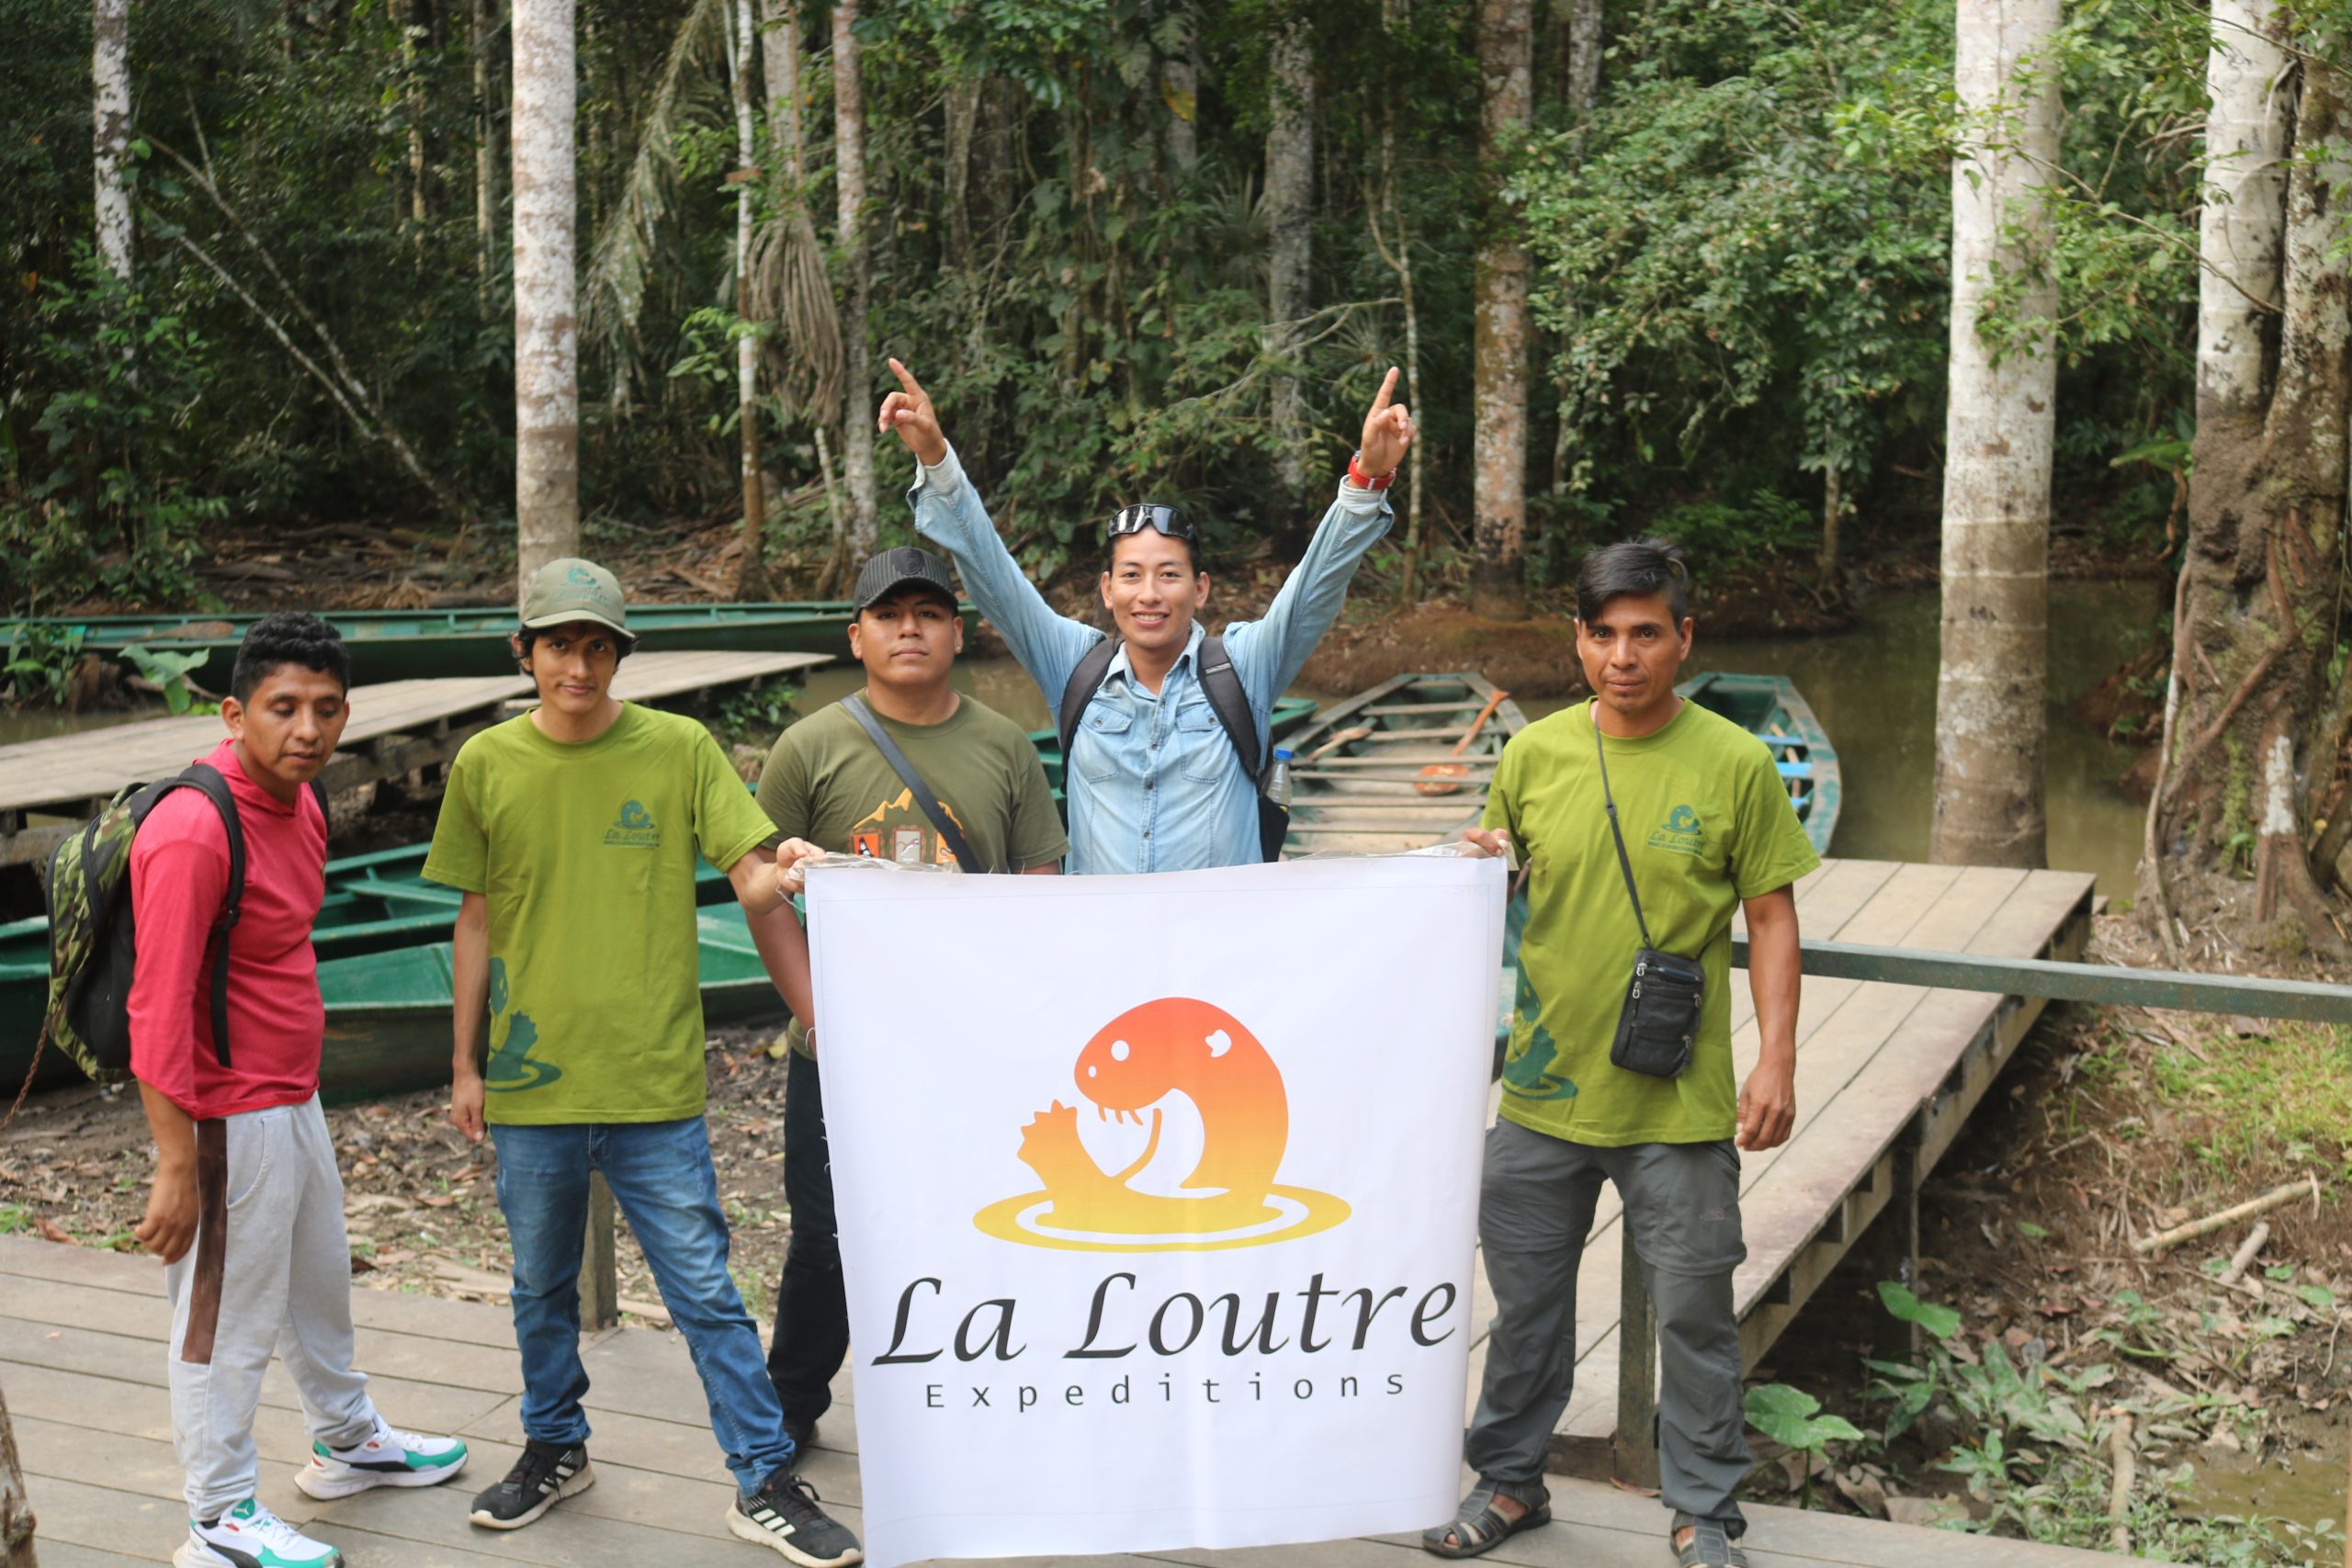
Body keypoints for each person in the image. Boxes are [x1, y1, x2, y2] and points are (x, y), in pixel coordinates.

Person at [425, 558, 860, 1568]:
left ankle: (763, 1478)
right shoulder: (486, 762)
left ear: (620, 655)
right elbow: (475, 917)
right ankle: (555, 1445)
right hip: (530, 1082)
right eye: (559, 645)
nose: (578, 665)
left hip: (651, 1080)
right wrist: (464, 1064)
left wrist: (790, 867)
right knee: (540, 1286)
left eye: (597, 646)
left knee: (704, 1291)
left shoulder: (678, 748)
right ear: (525, 652)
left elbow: (749, 875)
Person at [1428, 540, 1816, 1568]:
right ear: (1578, 640)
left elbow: (1771, 918)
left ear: (1684, 637)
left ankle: (1704, 1510)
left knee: (1693, 1313)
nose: (1623, 656)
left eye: (1646, 633)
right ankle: (1510, 1482)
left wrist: (1776, 1059)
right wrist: (1480, 868)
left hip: (1676, 1102)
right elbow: (1500, 882)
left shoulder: (1735, 762)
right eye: (1602, 634)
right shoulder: (1533, 754)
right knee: (1524, 1310)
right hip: (1541, 1092)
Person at [130, 612, 469, 1568]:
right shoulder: (195, 828)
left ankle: (347, 1439)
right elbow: (155, 1008)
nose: (307, 729)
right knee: (224, 1319)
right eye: (283, 708)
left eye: (326, 708)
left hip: (291, 1091)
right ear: (235, 714)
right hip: (224, 1110)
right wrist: (176, 1162)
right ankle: (217, 1517)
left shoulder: (305, 802)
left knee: (317, 1282)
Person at [748, 545, 1068, 1450]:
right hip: (842, 1050)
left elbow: (1039, 888)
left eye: (927, 613)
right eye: (889, 615)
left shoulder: (1004, 746)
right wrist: (819, 1017)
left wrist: (1013, 1021)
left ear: (956, 633)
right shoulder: (809, 747)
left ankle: (971, 1395)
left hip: (971, 1050)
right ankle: (792, 1404)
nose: (909, 629)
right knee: (827, 1237)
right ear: (857, 637)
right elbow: (762, 894)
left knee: (972, 1225)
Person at [876, 356, 1412, 874]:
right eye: (1131, 575)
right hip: (1104, 934)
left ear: (1200, 589)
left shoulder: (1242, 668)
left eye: (1169, 575)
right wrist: (936, 459)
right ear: (1107, 590)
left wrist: (1367, 479)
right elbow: (994, 579)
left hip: (1222, 933)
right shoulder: (1074, 667)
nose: (1149, 595)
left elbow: (1313, 590)